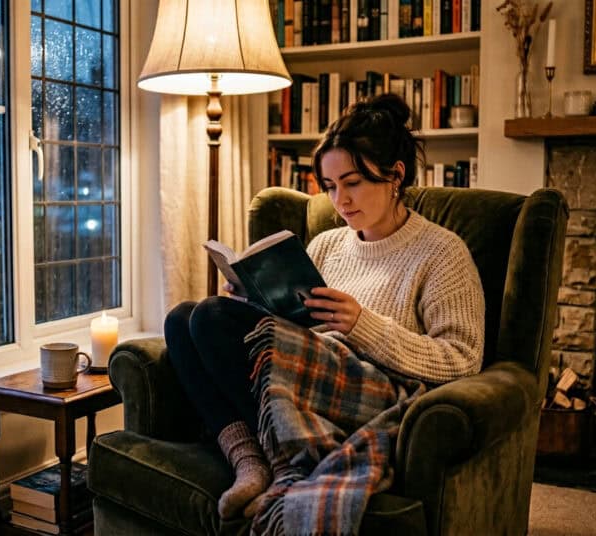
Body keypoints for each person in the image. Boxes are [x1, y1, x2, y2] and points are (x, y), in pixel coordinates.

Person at [164, 93, 485, 522]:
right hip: (304, 370)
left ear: (395, 175)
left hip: (371, 388)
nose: (340, 200)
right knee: (182, 318)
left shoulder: (442, 252)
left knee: (209, 316)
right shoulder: (327, 244)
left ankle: (280, 462)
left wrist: (363, 325)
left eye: (352, 183)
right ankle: (249, 457)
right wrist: (250, 300)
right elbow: (295, 328)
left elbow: (463, 359)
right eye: (330, 187)